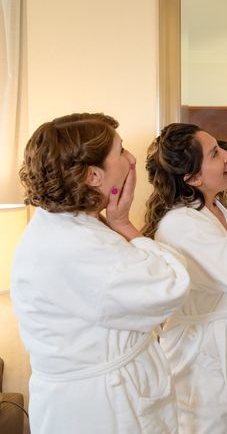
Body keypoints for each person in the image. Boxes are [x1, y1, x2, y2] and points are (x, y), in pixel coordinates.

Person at [11, 113, 190, 433]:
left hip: (92, 396)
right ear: (94, 175)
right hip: (101, 408)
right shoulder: (79, 247)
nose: (132, 159)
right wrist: (123, 224)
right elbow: (170, 287)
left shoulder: (68, 228)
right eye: (121, 151)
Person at [142, 123, 227, 434]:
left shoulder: (214, 208)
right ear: (192, 178)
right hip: (203, 357)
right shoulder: (181, 225)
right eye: (216, 154)